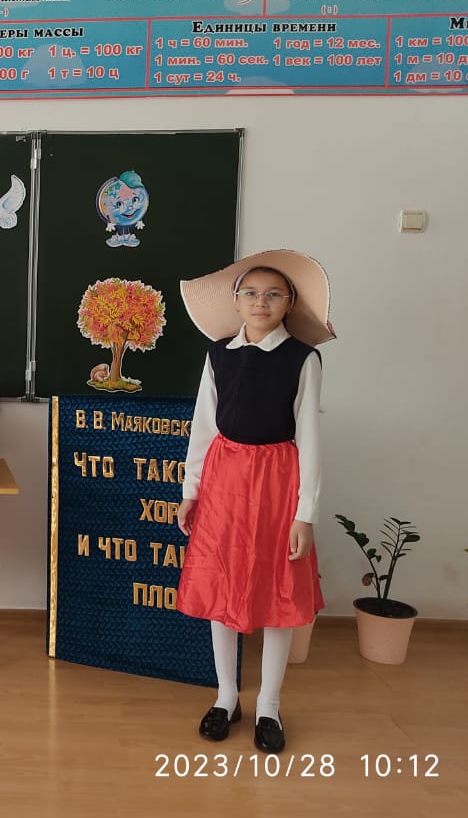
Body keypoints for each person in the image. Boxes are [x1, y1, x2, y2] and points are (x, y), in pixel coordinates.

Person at [175, 249, 336, 755]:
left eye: (272, 294)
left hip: (277, 483)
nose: (260, 302)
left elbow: (309, 438)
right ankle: (227, 696)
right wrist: (191, 491)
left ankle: (269, 703)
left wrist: (304, 513)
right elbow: (203, 427)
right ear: (236, 300)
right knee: (222, 586)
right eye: (250, 293)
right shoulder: (219, 354)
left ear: (289, 302)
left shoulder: (302, 358)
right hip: (223, 481)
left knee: (277, 593)